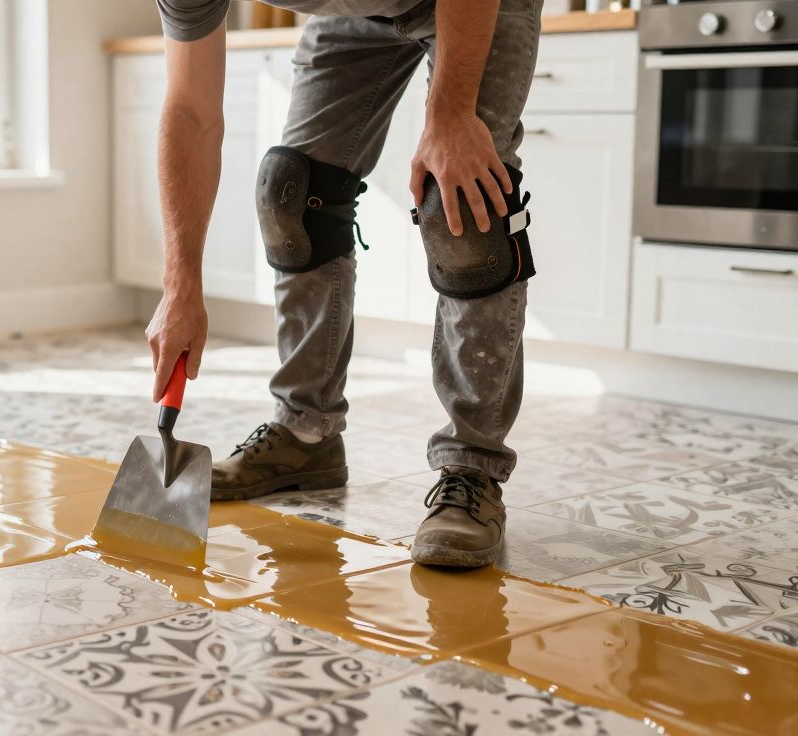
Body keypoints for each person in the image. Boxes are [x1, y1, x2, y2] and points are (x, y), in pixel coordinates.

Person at [144, 0, 541, 568]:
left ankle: (471, 468)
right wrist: (180, 285)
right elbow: (190, 111)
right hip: (357, 13)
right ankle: (306, 433)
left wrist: (450, 116)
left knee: (461, 207)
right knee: (293, 192)